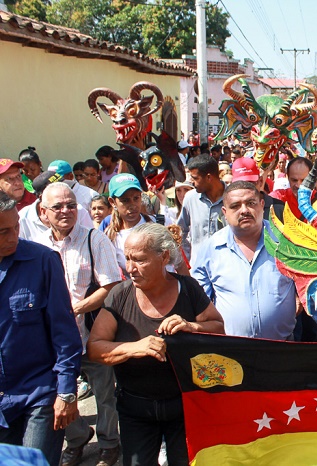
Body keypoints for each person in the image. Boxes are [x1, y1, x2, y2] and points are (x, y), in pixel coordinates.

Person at [87, 223, 224, 466]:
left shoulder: (188, 288)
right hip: (136, 409)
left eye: (139, 260)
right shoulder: (119, 295)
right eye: (127, 258)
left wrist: (192, 326)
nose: (130, 268)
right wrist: (134, 348)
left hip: (185, 406)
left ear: (164, 257)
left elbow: (218, 327)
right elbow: (95, 348)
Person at [34, 184, 122, 466]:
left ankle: (110, 442)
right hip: (55, 340)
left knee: (105, 393)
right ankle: (78, 437)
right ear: (43, 212)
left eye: (71, 205)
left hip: (91, 332)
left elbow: (111, 286)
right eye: (57, 206)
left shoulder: (94, 239)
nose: (65, 211)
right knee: (59, 393)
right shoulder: (37, 246)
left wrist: (77, 309)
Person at [0, 191, 83, 466]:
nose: (12, 237)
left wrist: (66, 391)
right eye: (3, 232)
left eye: (15, 227)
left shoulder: (43, 261)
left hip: (39, 394)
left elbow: (65, 333)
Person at [192, 181, 297, 339]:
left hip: (282, 348)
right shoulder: (211, 249)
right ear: (224, 212)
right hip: (232, 350)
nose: (244, 210)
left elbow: (310, 287)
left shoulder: (287, 242)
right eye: (235, 206)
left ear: (262, 205)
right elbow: (198, 302)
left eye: (251, 203)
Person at [176, 155, 226, 263]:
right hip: (198, 270)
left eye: (195, 178)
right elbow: (180, 232)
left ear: (208, 177)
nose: (191, 182)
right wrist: (187, 262)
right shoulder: (190, 198)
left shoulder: (232, 198)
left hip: (226, 267)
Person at [19, 172, 93, 242]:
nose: (65, 211)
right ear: (42, 197)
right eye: (57, 189)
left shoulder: (78, 210)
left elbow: (91, 239)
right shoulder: (23, 217)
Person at [103, 173, 152, 275]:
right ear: (112, 202)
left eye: (136, 198)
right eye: (125, 200)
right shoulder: (110, 237)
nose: (132, 205)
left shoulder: (160, 223)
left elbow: (180, 264)